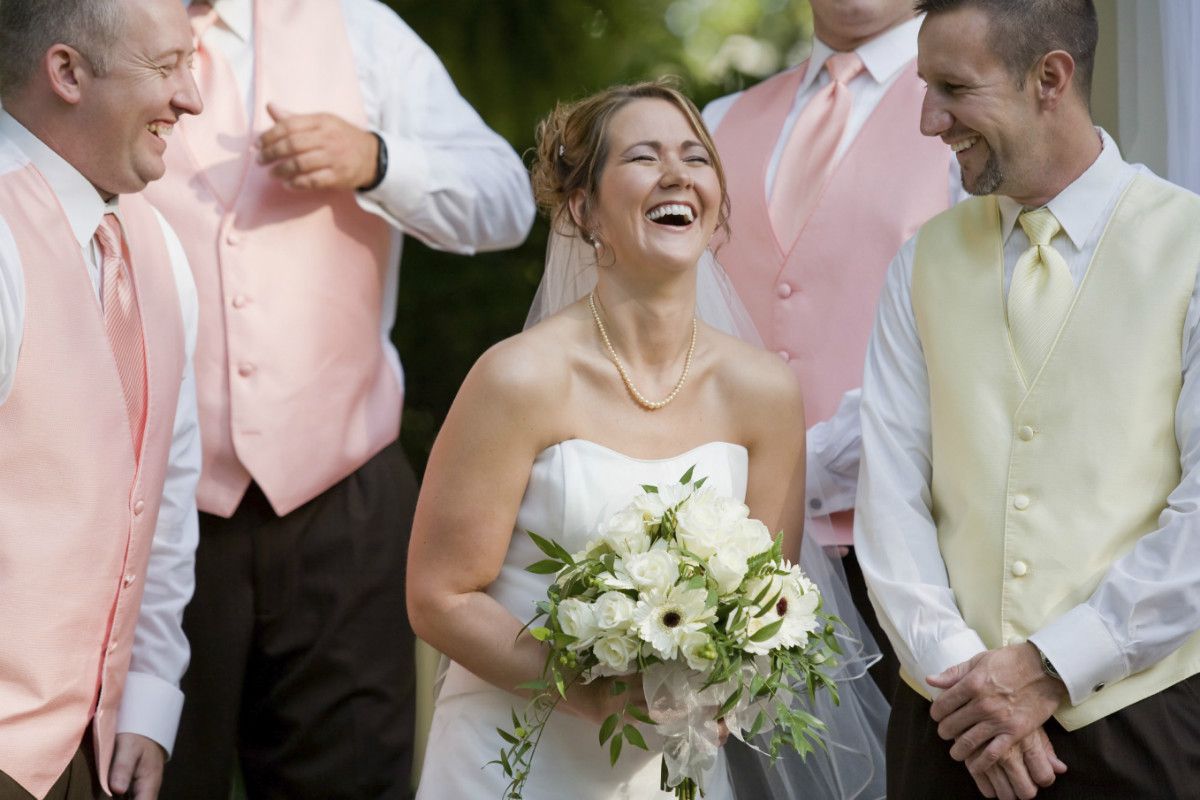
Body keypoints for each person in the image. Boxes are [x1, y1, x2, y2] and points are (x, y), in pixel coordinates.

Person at [146, 2, 535, 798]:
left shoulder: (359, 29)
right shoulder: (89, 27)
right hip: (147, 508)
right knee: (144, 778)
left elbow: (507, 199)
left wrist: (378, 160)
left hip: (343, 503)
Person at [406, 81, 808, 799]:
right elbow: (439, 595)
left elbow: (771, 603)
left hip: (671, 767)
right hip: (511, 761)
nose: (678, 175)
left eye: (695, 158)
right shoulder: (518, 379)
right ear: (585, 209)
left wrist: (721, 685)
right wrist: (590, 694)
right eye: (645, 157)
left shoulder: (765, 394)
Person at [856, 1, 1200, 798]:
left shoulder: (1190, 246)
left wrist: (1051, 666)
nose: (927, 120)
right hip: (949, 727)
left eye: (953, 87)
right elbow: (890, 499)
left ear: (1051, 78)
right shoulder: (921, 264)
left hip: (1142, 720)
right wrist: (967, 687)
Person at [703, 0, 966, 708]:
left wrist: (797, 469)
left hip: (914, 553)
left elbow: (974, 343)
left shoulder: (971, 113)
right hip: (727, 548)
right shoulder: (720, 122)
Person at [0, 1, 203, 799]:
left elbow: (166, 496)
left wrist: (150, 694)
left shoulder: (157, 250)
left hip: (94, 746)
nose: (192, 97)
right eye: (165, 68)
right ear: (67, 73)